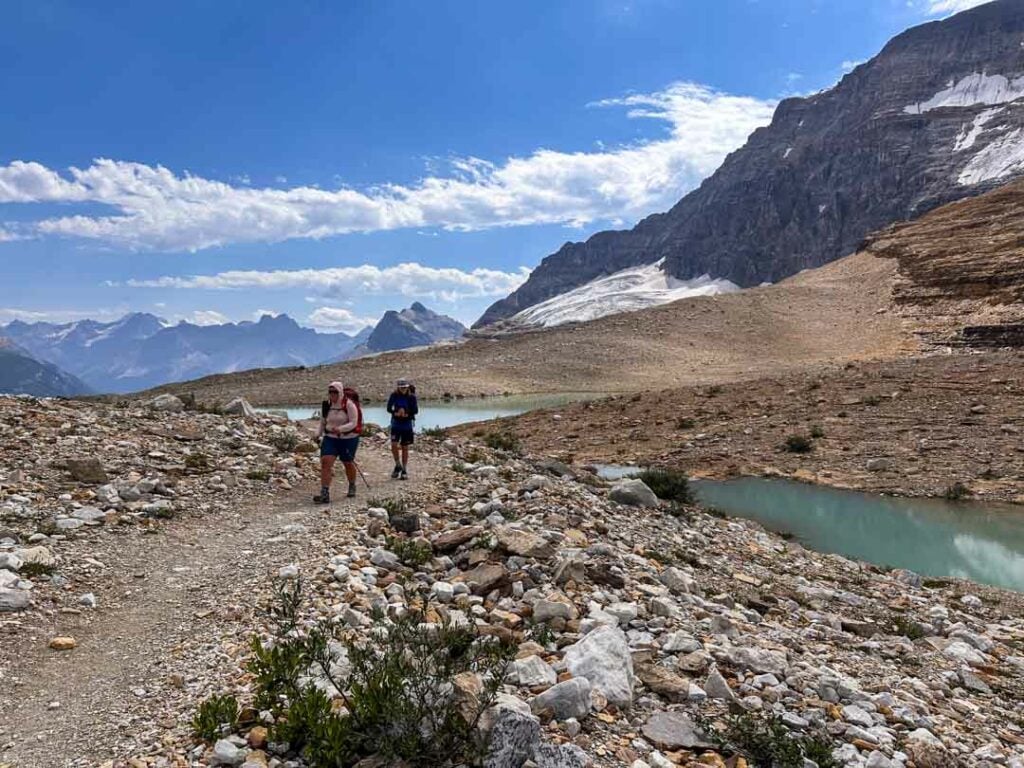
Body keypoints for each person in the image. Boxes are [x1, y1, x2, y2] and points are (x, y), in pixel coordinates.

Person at [314, 381, 361, 502]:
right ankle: (324, 492)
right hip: (330, 438)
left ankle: (352, 484)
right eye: (330, 392)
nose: (332, 394)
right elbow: (323, 422)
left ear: (340, 392)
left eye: (335, 392)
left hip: (348, 438)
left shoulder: (349, 405)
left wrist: (341, 429)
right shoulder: (327, 405)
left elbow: (353, 422)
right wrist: (317, 434)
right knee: (326, 462)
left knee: (347, 462)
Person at [386, 378, 418, 480]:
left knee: (405, 447)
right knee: (394, 445)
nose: (403, 389)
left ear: (407, 387)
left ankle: (404, 469)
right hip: (396, 424)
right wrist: (395, 412)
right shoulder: (394, 395)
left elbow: (416, 411)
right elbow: (388, 408)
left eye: (404, 387)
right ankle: (397, 464)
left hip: (407, 425)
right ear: (398, 387)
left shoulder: (411, 397)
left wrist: (407, 414)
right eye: (401, 388)